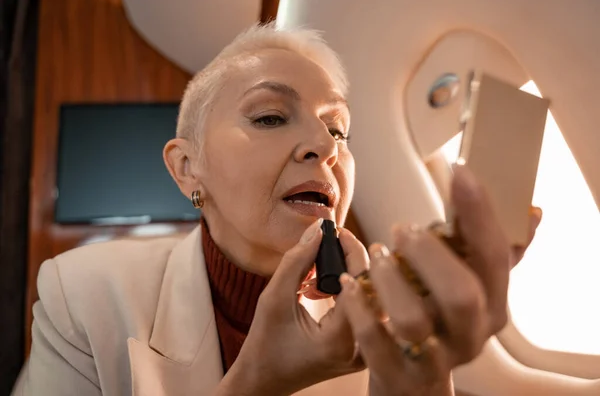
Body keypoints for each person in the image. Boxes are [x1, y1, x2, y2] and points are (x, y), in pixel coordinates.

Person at [13, 23, 541, 396]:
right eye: (269, 117)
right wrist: (256, 387)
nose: (326, 145)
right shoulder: (83, 291)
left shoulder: (382, 325)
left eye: (339, 128)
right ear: (186, 168)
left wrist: (420, 388)